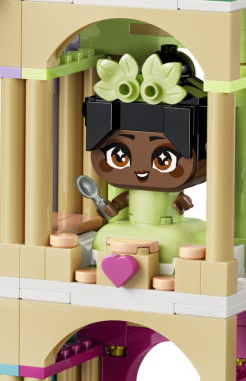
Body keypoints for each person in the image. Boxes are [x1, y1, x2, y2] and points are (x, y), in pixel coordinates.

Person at [83, 48, 208, 264]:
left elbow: (183, 202)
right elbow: (124, 200)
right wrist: (112, 207)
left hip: (169, 225)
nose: (141, 169)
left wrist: (182, 202)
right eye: (120, 156)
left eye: (163, 159)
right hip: (135, 225)